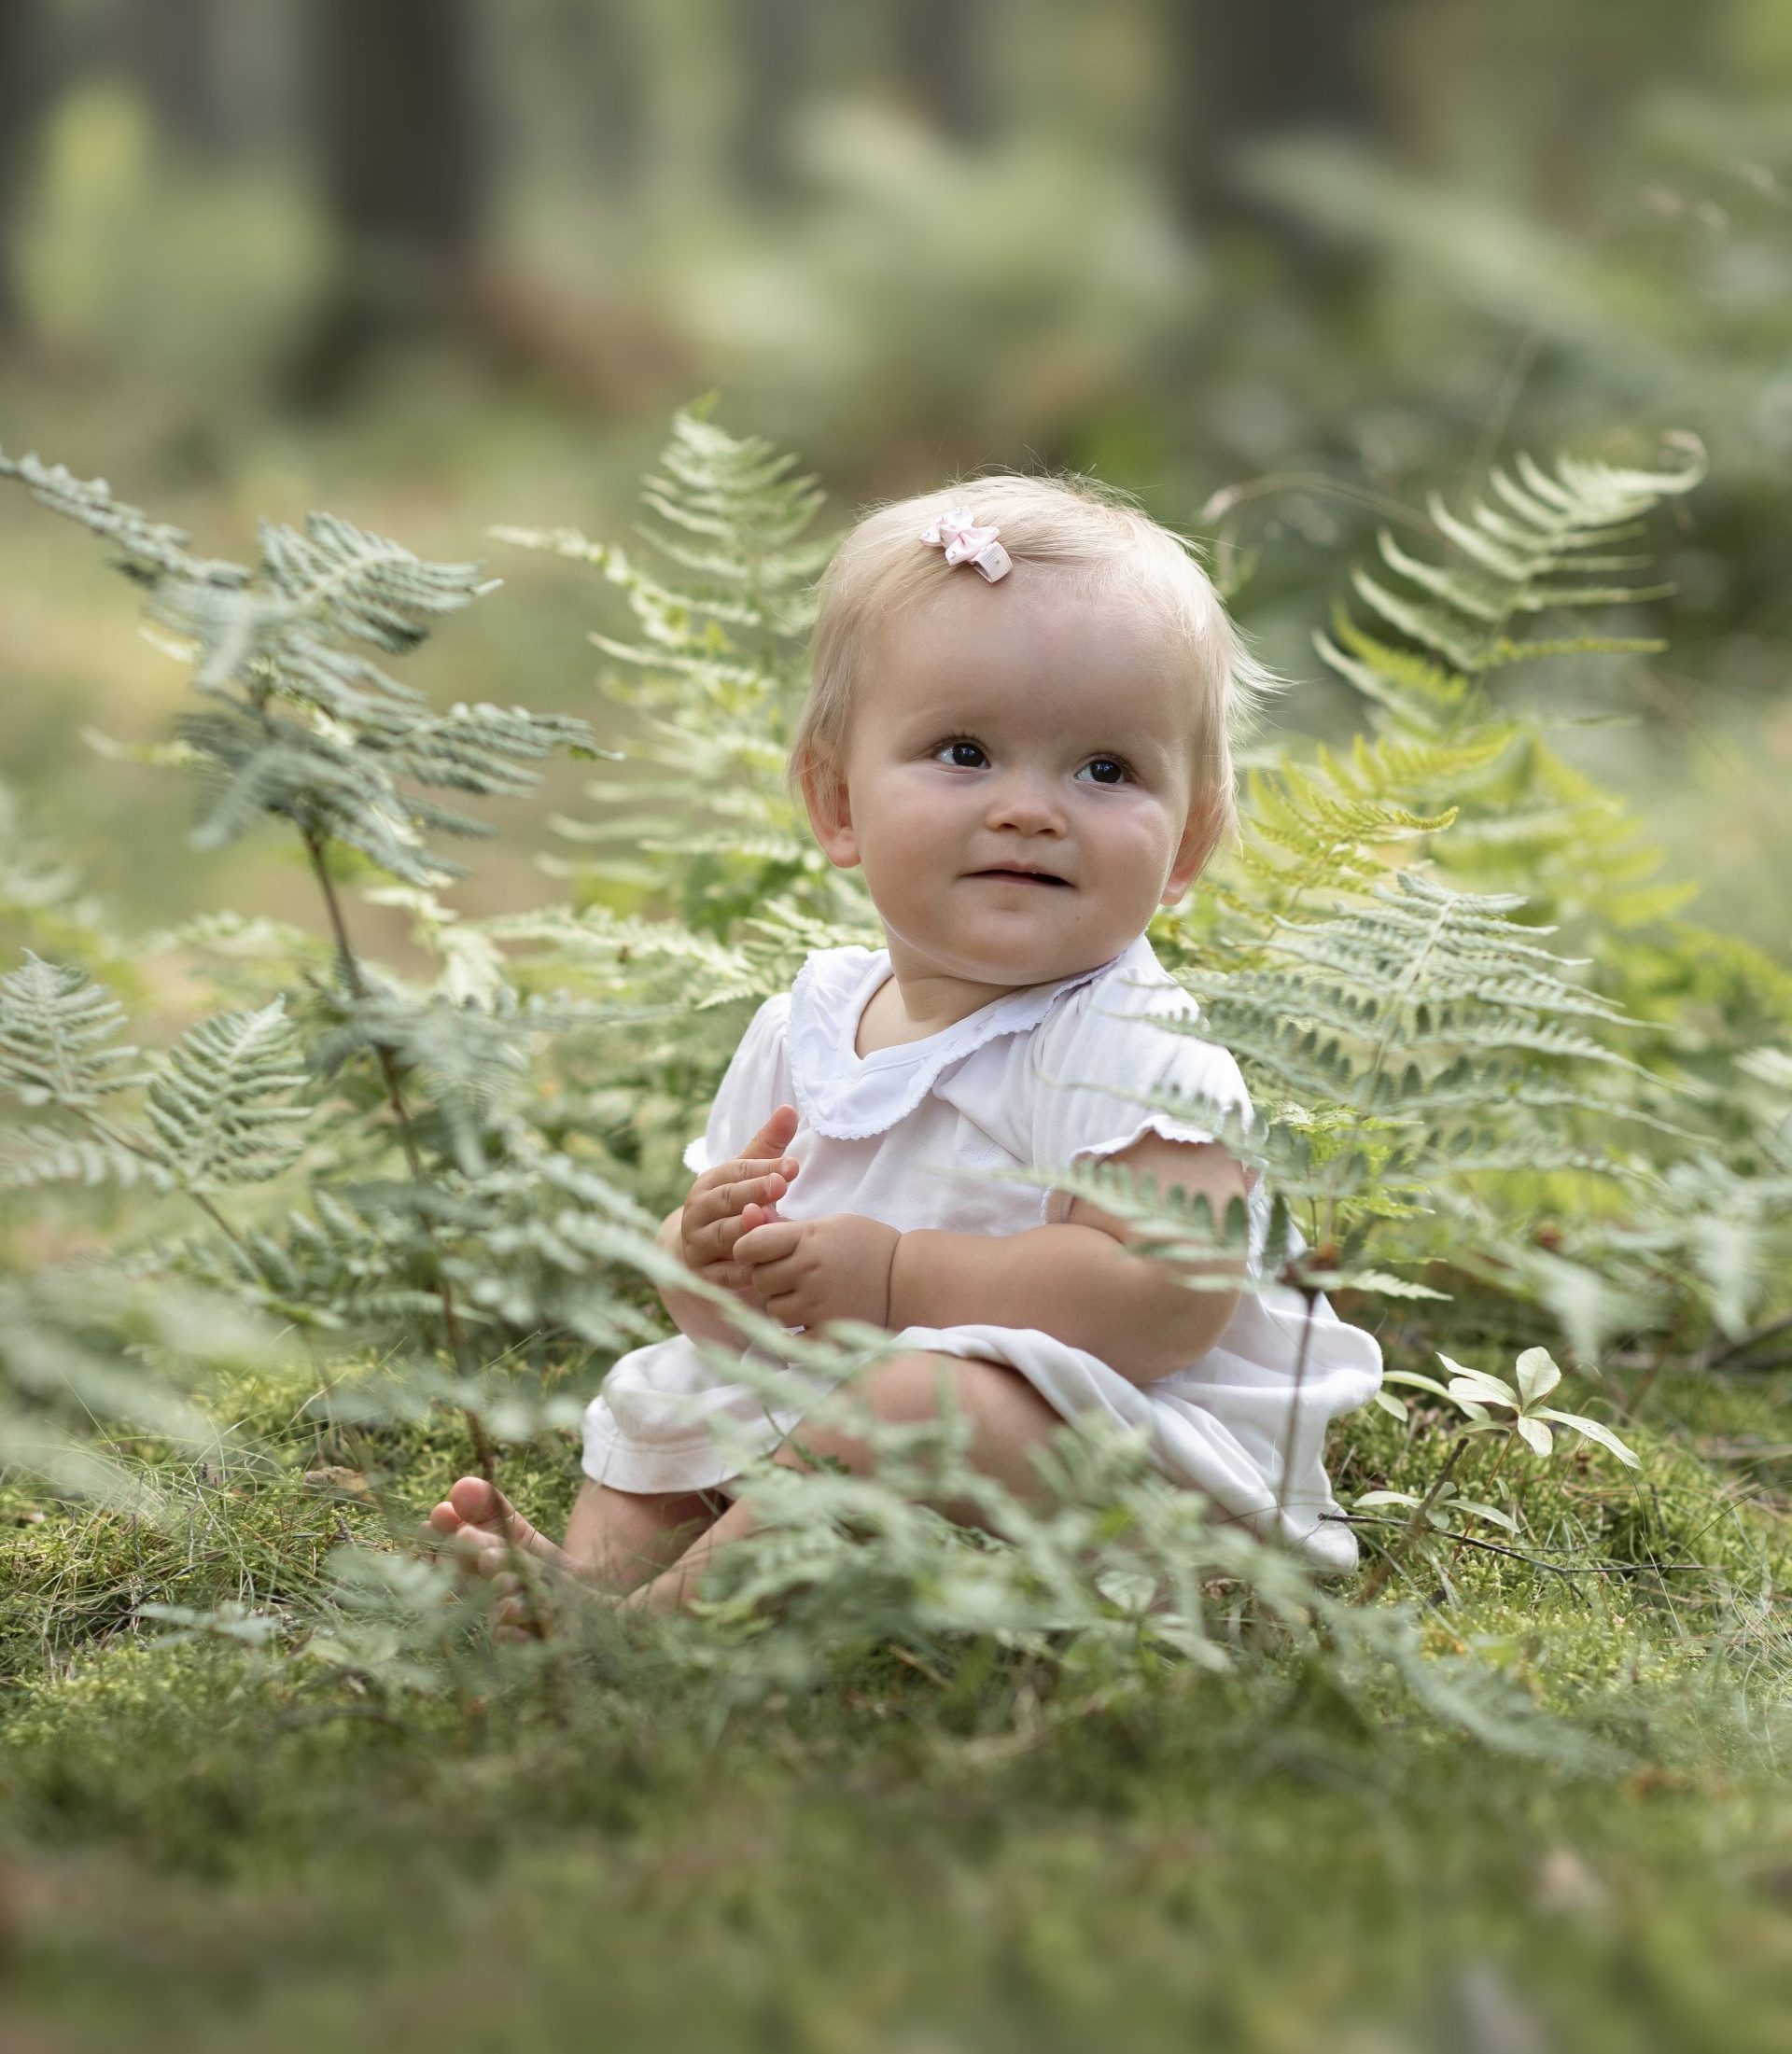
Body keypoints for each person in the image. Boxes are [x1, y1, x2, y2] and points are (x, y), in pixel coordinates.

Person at [426, 476, 1383, 1628]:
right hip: (863, 1429)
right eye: (965, 750)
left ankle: (651, 1633)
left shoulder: (1130, 1042)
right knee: (684, 1382)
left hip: (1131, 1465)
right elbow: (727, 1304)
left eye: (1105, 770)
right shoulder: (809, 1023)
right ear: (836, 803)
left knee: (916, 1396)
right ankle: (599, 1584)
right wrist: (708, 1249)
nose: (1032, 808)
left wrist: (891, 1277)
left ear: (1190, 841)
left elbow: (1162, 1297)